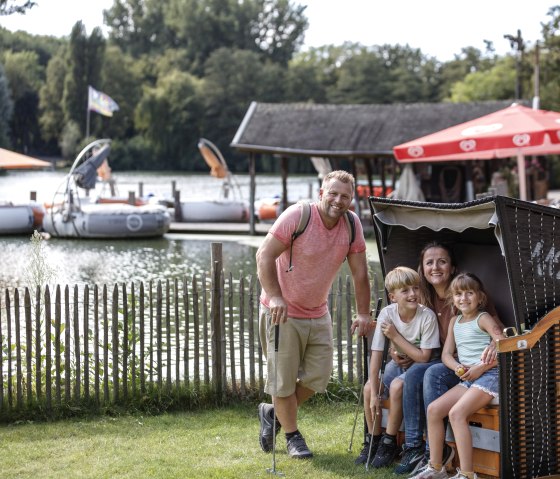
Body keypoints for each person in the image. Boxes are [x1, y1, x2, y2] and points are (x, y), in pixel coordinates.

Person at [255, 170, 373, 459]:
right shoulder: (298, 216)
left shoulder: (352, 225)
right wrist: (276, 296)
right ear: (321, 193)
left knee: (318, 377)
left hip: (317, 312)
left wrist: (363, 313)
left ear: (351, 201)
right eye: (333, 193)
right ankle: (293, 437)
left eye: (345, 196)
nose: (338, 200)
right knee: (282, 380)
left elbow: (360, 274)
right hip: (281, 312)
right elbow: (264, 255)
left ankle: (273, 413)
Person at [396, 242, 501, 475]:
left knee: (455, 413)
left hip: (488, 375)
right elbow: (445, 354)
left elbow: (501, 341)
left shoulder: (482, 318)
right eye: (458, 295)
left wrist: (480, 367)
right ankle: (435, 466)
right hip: (467, 376)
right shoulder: (455, 320)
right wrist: (457, 367)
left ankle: (467, 473)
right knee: (434, 410)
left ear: (480, 296)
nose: (463, 298)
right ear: (452, 299)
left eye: (469, 293)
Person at [364, 266, 440, 470]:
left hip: (421, 367)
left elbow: (424, 356)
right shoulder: (387, 314)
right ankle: (373, 440)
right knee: (369, 388)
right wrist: (373, 392)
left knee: (397, 387)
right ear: (392, 296)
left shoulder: (427, 316)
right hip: (398, 364)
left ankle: (389, 443)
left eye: (415, 288)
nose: (413, 294)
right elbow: (377, 352)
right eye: (405, 290)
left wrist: (395, 337)